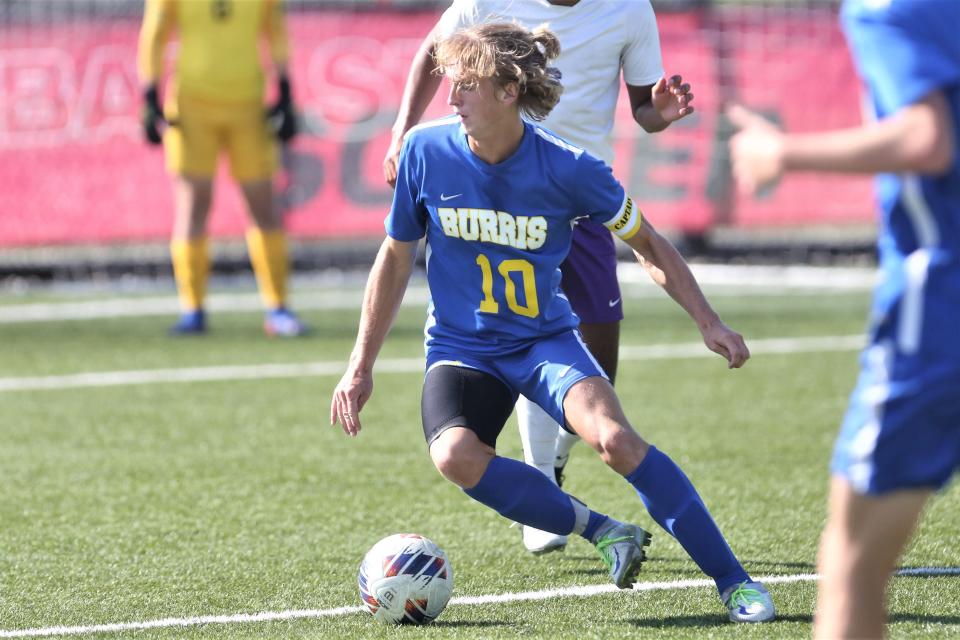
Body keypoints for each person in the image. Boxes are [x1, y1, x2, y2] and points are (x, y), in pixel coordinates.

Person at [334, 22, 774, 623]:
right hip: (463, 348)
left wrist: (709, 322)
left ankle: (734, 582)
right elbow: (394, 257)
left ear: (508, 91)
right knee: (456, 457)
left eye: (465, 85)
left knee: (616, 441)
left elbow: (647, 244)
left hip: (545, 341)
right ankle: (603, 530)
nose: (452, 97)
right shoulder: (423, 151)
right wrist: (360, 367)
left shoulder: (571, 168)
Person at [383, 0, 694, 555]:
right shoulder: (484, 5)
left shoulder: (629, 10)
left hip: (577, 199)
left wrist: (660, 114)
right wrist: (402, 132)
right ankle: (544, 484)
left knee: (599, 373)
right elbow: (434, 54)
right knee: (524, 336)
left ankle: (551, 456)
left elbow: (644, 107)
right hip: (499, 194)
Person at [727, 1, 959, 636]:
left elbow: (926, 137)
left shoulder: (889, 7)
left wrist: (784, 153)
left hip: (939, 306)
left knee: (849, 562)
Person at [137, 0, 307, 336]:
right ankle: (193, 309)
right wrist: (150, 94)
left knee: (262, 205)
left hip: (248, 105)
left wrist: (286, 90)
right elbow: (154, 35)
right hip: (191, 105)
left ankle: (277, 308)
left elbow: (276, 31)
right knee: (193, 203)